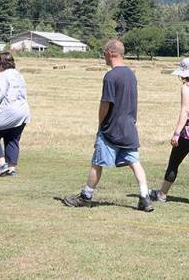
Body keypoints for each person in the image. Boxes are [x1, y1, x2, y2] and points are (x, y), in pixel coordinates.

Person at [62, 40, 152, 211]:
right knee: (135, 163)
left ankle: (86, 196)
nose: (103, 56)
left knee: (97, 163)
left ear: (111, 53)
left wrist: (100, 124)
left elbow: (106, 104)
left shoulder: (111, 76)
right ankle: (144, 197)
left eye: (104, 52)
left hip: (111, 128)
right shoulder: (131, 75)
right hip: (129, 128)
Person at [149, 58, 189, 207]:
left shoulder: (186, 87)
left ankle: (162, 194)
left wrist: (177, 133)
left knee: (174, 163)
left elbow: (185, 111)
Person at [0, 51, 31, 177]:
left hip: (8, 110)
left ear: (0, 63)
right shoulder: (18, 75)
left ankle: (2, 164)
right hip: (22, 112)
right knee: (12, 138)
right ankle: (11, 168)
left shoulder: (3, 76)